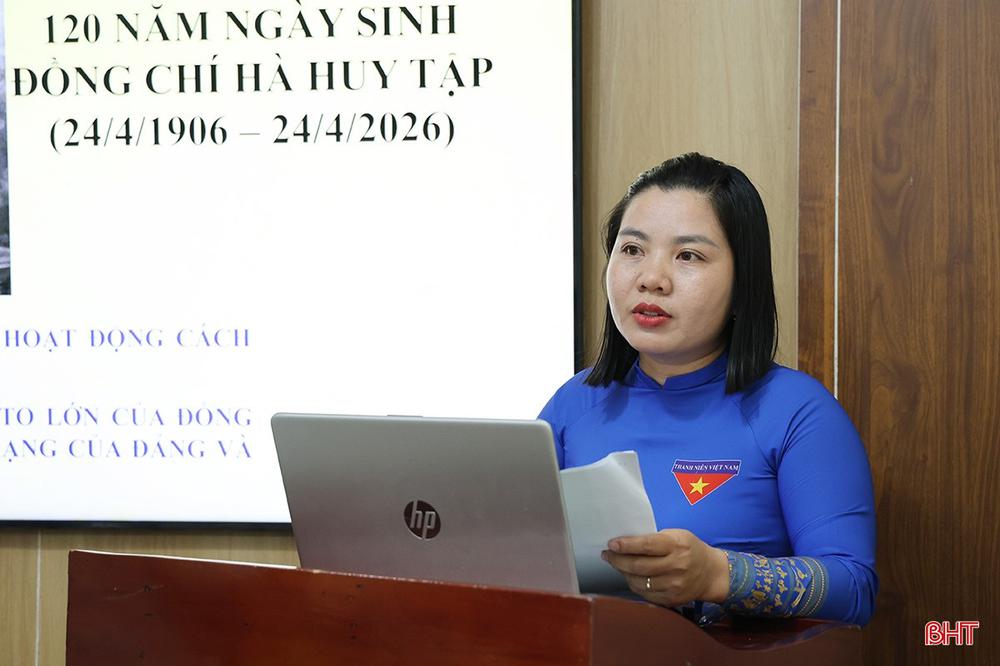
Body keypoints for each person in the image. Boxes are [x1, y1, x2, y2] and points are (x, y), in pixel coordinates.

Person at [538, 153, 877, 626]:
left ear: (743, 284)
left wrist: (719, 575)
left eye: (688, 256)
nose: (651, 279)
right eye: (632, 249)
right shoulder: (573, 404)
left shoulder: (796, 411)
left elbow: (854, 589)